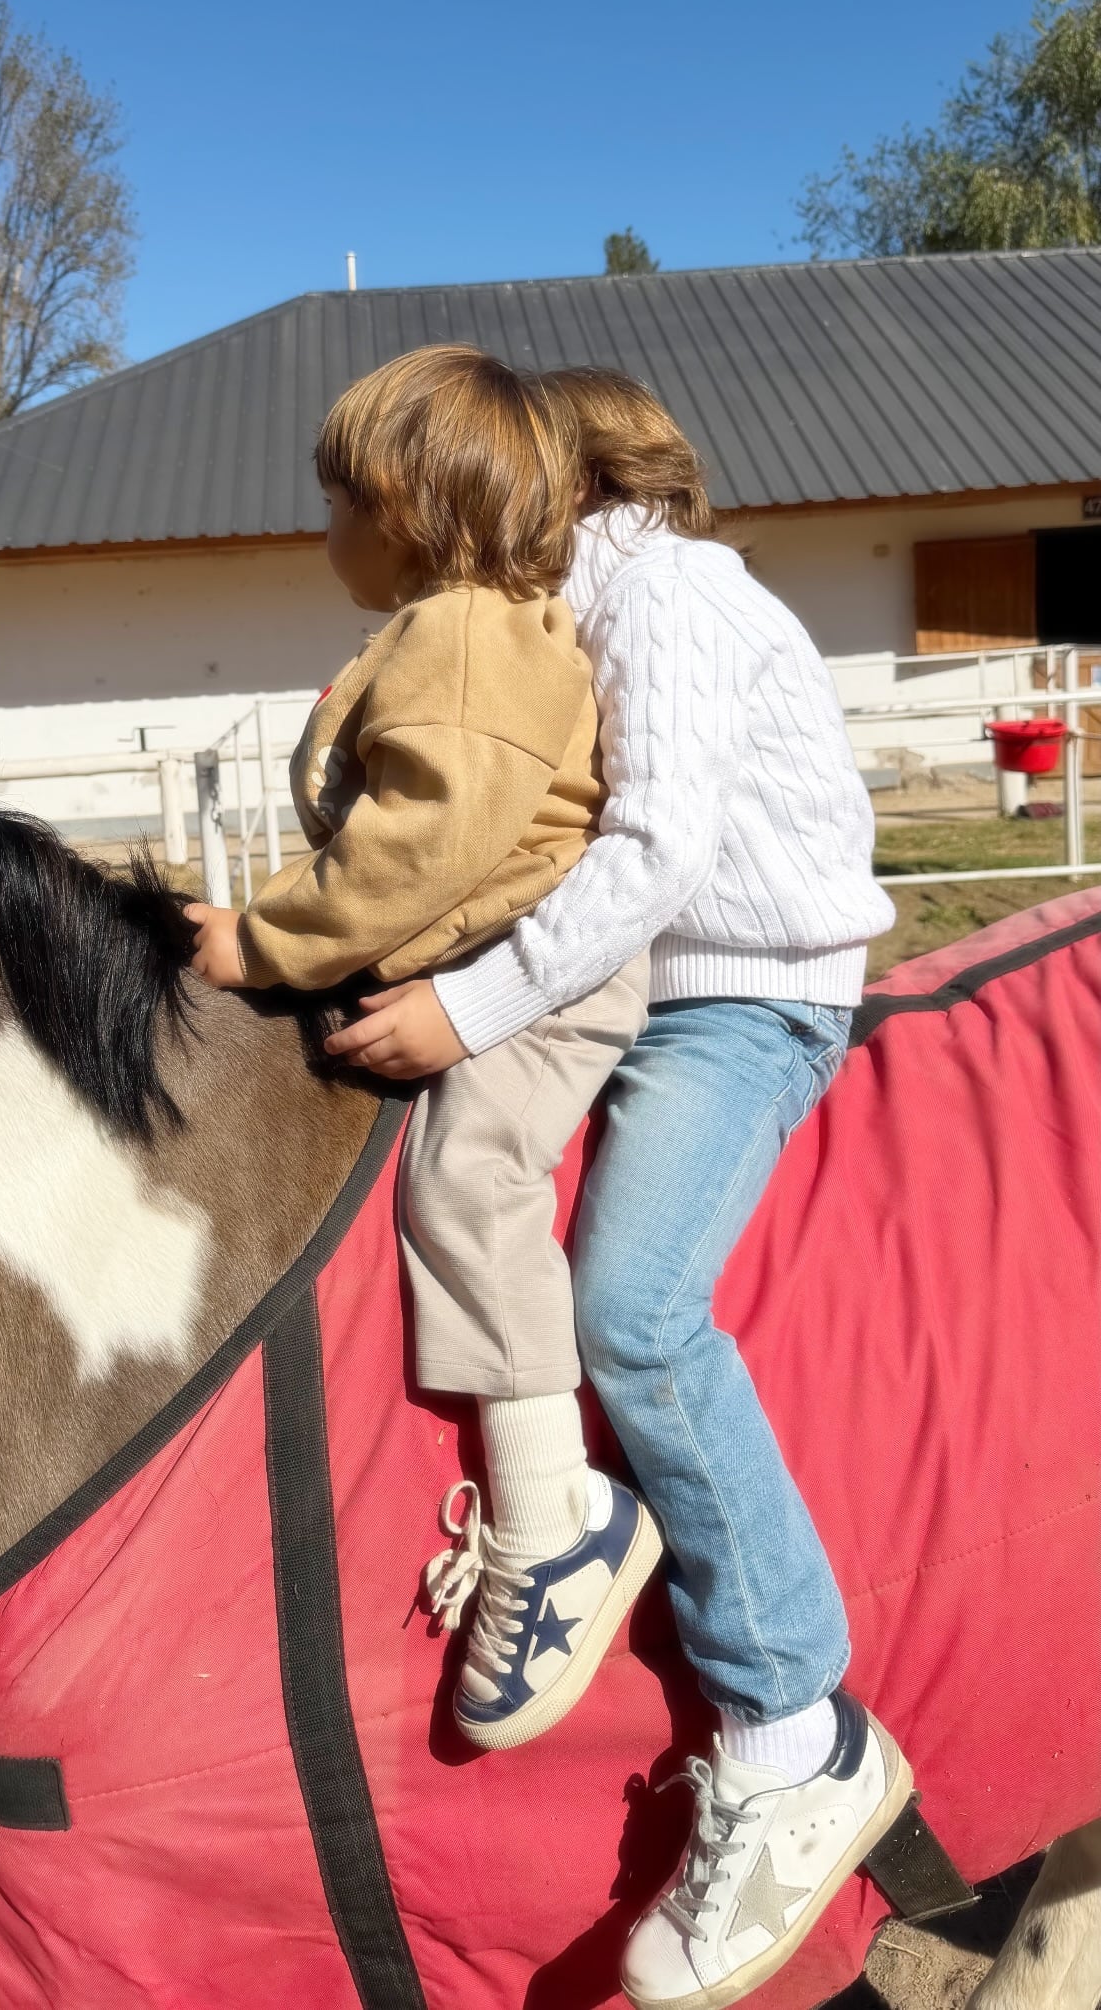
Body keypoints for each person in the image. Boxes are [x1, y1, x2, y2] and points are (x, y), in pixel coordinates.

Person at [323, 367, 914, 2010]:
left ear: (551, 484)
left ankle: (797, 1727)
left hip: (746, 991)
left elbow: (649, 852)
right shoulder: (551, 618)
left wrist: (468, 1003)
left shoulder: (663, 595)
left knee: (636, 1308)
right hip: (652, 981)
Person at [186, 343, 661, 1753]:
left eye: (339, 500)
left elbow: (419, 851)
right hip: (468, 954)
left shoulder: (460, 635)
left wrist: (262, 943)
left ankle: (551, 1519)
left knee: (466, 1178)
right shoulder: (443, 629)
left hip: (542, 979)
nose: (320, 527)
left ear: (412, 512)